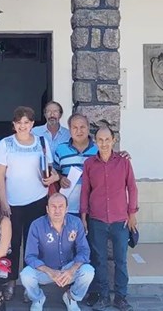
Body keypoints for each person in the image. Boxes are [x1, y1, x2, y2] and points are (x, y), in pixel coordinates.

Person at [54, 114, 130, 306]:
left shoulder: (100, 150)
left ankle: (96, 292)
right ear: (69, 129)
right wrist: (58, 178)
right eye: (74, 127)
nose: (79, 130)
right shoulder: (61, 150)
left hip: (96, 212)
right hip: (69, 210)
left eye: (82, 127)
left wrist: (132, 212)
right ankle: (73, 292)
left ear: (89, 128)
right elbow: (53, 172)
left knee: (91, 254)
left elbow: (124, 177)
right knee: (72, 252)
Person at [0, 106, 59, 300]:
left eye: (27, 122)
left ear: (32, 124)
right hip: (12, 203)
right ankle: (11, 282)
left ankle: (29, 285)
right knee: (12, 244)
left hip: (37, 201)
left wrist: (52, 177)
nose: (23, 126)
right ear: (14, 124)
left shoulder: (42, 141)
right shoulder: (6, 144)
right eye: (19, 122)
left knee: (32, 246)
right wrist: (3, 202)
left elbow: (49, 169)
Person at [81, 126, 139, 311]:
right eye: (100, 140)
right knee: (99, 260)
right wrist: (84, 216)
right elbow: (85, 192)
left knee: (121, 260)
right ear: (95, 141)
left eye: (107, 139)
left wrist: (132, 214)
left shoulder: (123, 162)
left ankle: (121, 297)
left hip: (120, 220)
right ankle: (104, 296)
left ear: (113, 140)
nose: (104, 143)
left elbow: (132, 188)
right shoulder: (89, 163)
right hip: (96, 219)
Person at [19, 193, 94, 311]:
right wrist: (50, 271)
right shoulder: (37, 225)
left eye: (61, 206)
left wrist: (71, 270)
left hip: (68, 269)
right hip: (46, 269)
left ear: (67, 209)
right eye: (53, 206)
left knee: (88, 271)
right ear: (47, 209)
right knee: (26, 275)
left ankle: (71, 297)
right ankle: (38, 298)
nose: (57, 210)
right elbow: (30, 256)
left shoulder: (76, 222)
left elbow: (84, 251)